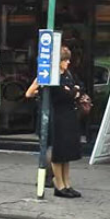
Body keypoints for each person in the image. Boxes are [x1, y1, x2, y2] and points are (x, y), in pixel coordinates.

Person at [49, 46, 82, 199]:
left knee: (67, 153)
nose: (68, 63)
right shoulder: (54, 77)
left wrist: (73, 90)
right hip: (58, 116)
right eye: (65, 60)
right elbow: (63, 94)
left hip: (69, 114)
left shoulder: (68, 74)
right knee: (59, 152)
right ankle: (59, 184)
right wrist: (72, 91)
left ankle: (67, 183)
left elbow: (78, 88)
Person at [25, 77, 54, 187]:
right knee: (51, 147)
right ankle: (49, 176)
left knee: (46, 146)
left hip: (44, 113)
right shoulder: (60, 77)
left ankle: (45, 176)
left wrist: (40, 92)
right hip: (54, 113)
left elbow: (29, 93)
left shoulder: (42, 78)